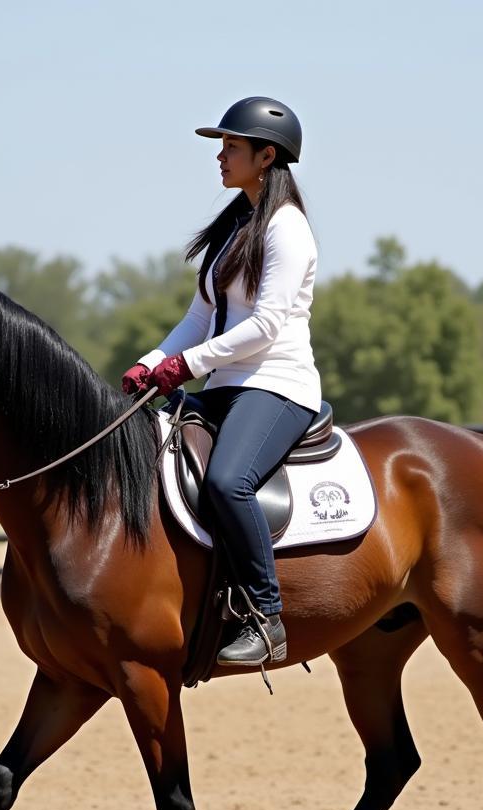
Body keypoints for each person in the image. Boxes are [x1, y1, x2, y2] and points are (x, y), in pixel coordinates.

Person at [121, 96, 320, 668]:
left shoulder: (288, 230)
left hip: (278, 385)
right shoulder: (236, 225)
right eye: (221, 146)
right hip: (226, 386)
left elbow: (265, 326)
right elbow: (198, 317)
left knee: (227, 481)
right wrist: (149, 361)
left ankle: (266, 615)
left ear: (266, 155)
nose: (220, 156)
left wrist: (184, 367)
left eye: (231, 146)